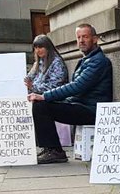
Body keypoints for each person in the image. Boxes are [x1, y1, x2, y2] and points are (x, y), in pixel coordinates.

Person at [27, 23, 113, 163]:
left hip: (92, 110)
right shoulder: (87, 60)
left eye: (85, 37)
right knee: (41, 104)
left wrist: (45, 96)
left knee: (41, 105)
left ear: (95, 39)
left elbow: (77, 86)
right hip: (80, 105)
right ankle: (50, 148)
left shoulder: (99, 61)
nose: (81, 41)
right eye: (79, 37)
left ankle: (54, 151)